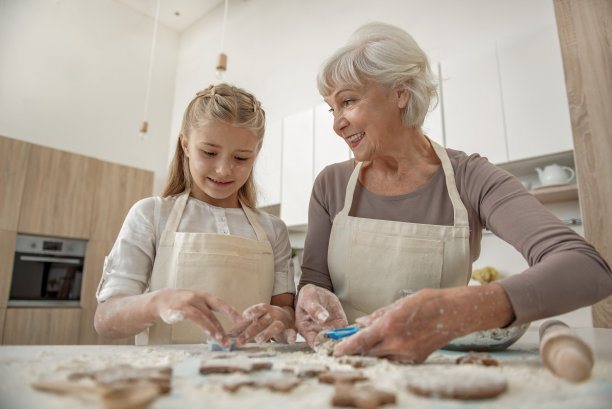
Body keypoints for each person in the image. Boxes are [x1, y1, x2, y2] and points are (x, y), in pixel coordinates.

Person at [295, 22, 612, 363]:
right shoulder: (330, 185)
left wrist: (465, 310)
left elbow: (587, 268)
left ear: (401, 93)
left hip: (439, 372)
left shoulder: (471, 178)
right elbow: (315, 284)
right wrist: (309, 300)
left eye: (348, 101)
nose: (336, 123)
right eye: (332, 108)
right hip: (342, 369)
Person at [95, 84, 296, 347]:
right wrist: (157, 302)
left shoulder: (273, 230)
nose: (224, 170)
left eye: (241, 157)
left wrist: (280, 317)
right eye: (209, 153)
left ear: (255, 155)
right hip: (167, 377)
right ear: (186, 145)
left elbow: (286, 314)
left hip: (250, 378)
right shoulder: (151, 215)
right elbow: (105, 321)